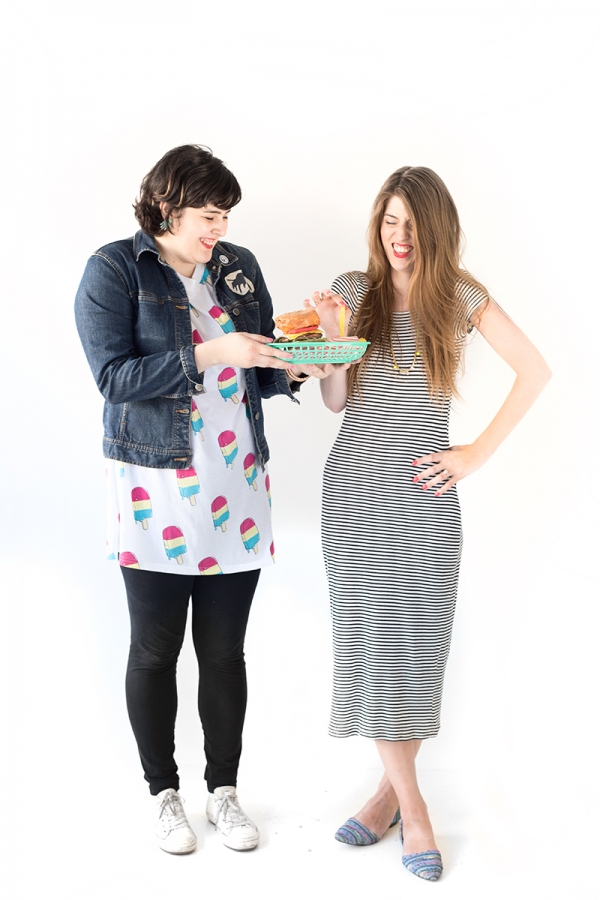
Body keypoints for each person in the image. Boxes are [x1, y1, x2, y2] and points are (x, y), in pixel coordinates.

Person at [74, 144, 333, 855]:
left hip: (237, 485)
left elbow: (262, 363)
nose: (218, 229)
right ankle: (164, 793)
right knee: (155, 650)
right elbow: (115, 378)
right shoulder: (114, 269)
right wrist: (216, 354)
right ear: (166, 207)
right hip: (154, 490)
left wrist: (300, 363)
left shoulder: (237, 266)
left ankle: (224, 792)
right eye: (207, 216)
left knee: (224, 652)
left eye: (224, 216)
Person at [311, 166, 551, 881]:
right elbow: (334, 400)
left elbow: (535, 370)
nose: (399, 236)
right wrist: (329, 337)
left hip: (425, 499)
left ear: (434, 229)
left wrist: (474, 454)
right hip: (354, 494)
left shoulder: (461, 297)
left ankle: (386, 796)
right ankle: (416, 812)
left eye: (412, 224)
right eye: (389, 221)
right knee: (375, 646)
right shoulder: (354, 292)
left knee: (414, 651)